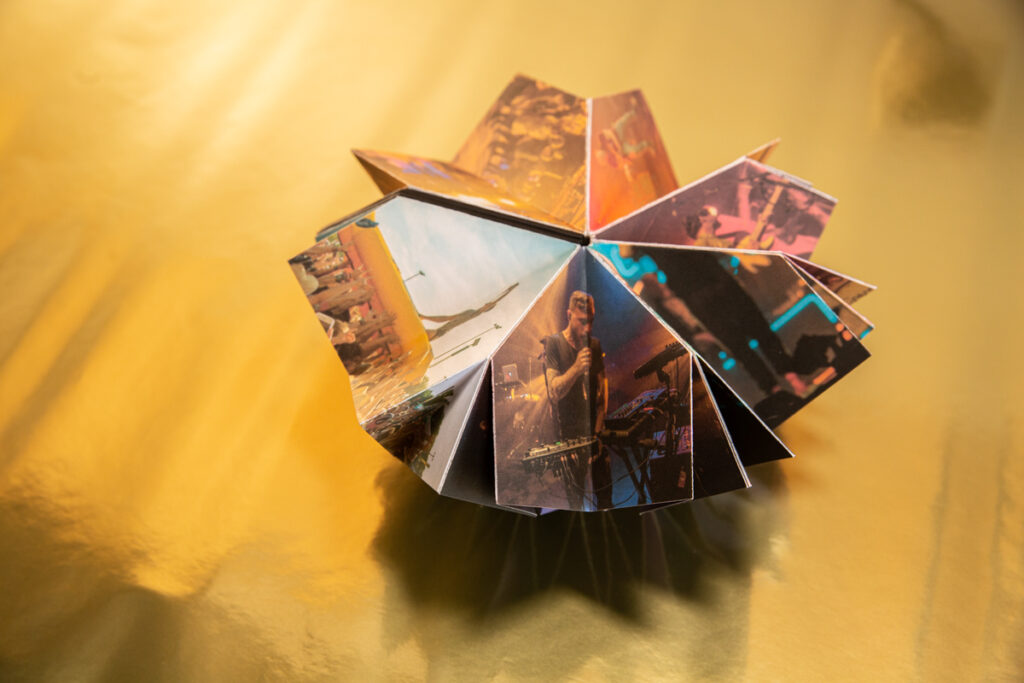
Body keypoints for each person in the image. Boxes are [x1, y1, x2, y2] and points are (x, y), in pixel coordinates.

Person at [542, 291, 612, 510]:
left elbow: (602, 392)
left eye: (591, 321)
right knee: (576, 501)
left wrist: (598, 432)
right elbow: (554, 392)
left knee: (606, 497)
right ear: (569, 314)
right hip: (569, 438)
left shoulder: (594, 345)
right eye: (582, 321)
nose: (587, 328)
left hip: (595, 434)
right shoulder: (554, 344)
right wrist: (576, 368)